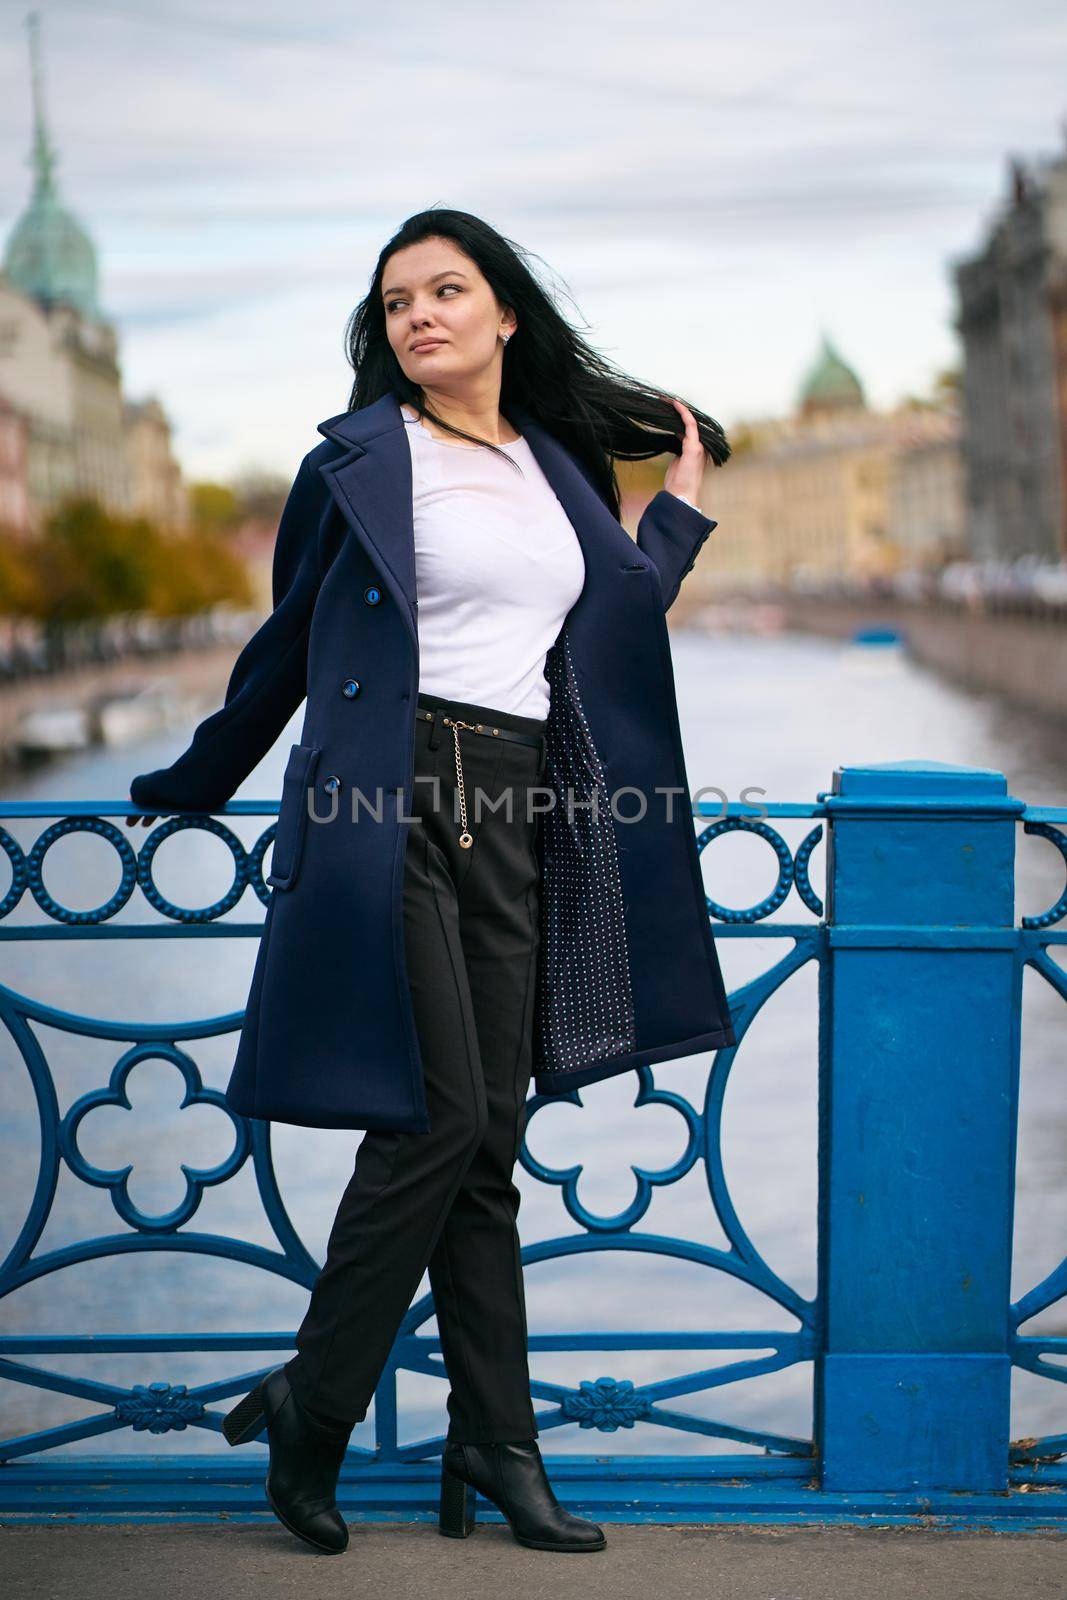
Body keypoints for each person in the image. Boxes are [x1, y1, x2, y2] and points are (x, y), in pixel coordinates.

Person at [127, 208, 732, 1557]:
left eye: (447, 292)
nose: (420, 318)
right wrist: (197, 778)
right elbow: (286, 643)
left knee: (488, 1149)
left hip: (521, 808)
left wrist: (676, 518)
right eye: (397, 302)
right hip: (385, 802)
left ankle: (494, 1444)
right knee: (445, 1115)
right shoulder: (355, 462)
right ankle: (319, 1401)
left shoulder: (557, 466)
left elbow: (611, 620)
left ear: (505, 313)